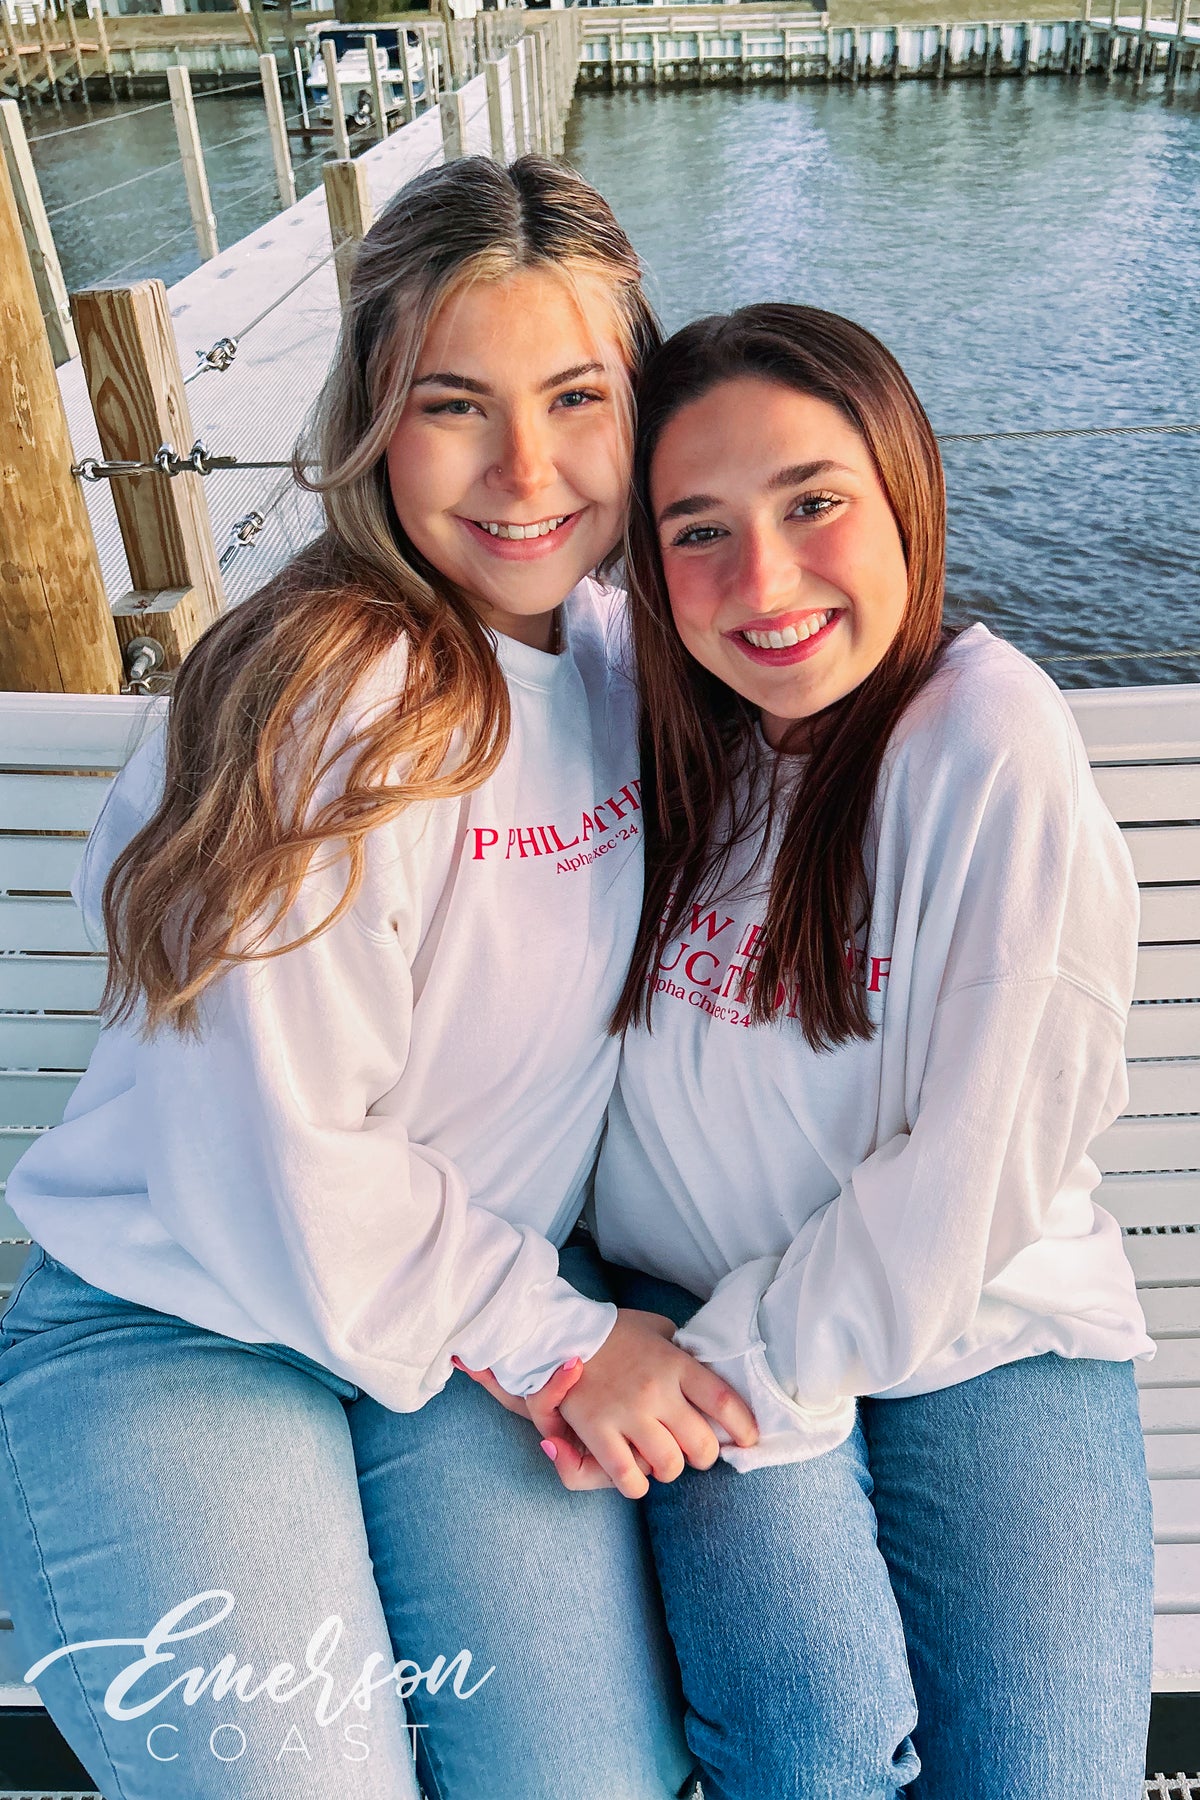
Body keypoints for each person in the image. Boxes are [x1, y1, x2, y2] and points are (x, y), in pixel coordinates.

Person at [0, 156, 750, 1800]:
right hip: (186, 1318)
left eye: (578, 398)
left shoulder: (621, 659)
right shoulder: (337, 697)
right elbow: (278, 1150)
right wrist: (569, 1341)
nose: (526, 471)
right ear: (369, 422)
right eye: (452, 405)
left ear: (647, 406)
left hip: (451, 1325)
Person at [529, 303, 1155, 1798]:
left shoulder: (985, 737)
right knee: (810, 1744)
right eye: (698, 531)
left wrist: (731, 1366)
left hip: (974, 1317)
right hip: (695, 1313)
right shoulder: (669, 733)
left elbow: (978, 1164)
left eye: (813, 503)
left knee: (1041, 1779)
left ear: (905, 489)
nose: (764, 581)